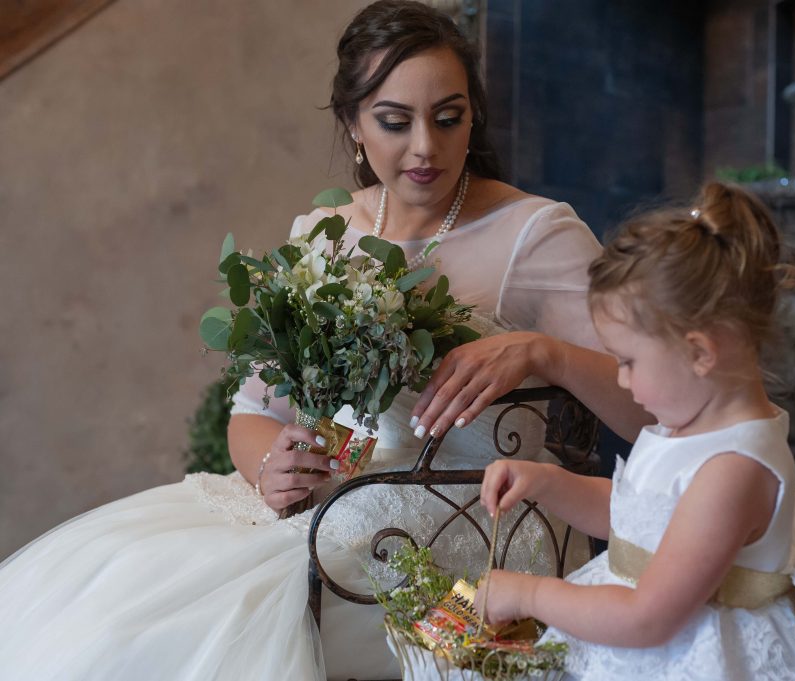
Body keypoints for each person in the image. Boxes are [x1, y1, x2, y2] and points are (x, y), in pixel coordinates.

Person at [0, 2, 649, 680]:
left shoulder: (535, 235)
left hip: (457, 529)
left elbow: (658, 415)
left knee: (208, 625)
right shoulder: (325, 232)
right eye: (395, 122)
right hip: (325, 507)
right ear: (354, 124)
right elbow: (254, 415)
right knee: (114, 603)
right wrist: (270, 469)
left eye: (448, 117)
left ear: (472, 117)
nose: (425, 145)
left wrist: (549, 355)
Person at [477, 183, 795, 681]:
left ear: (700, 352)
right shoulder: (688, 425)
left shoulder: (734, 469)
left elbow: (649, 618)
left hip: (686, 658)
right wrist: (546, 482)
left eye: (629, 361)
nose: (620, 378)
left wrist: (529, 593)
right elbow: (638, 521)